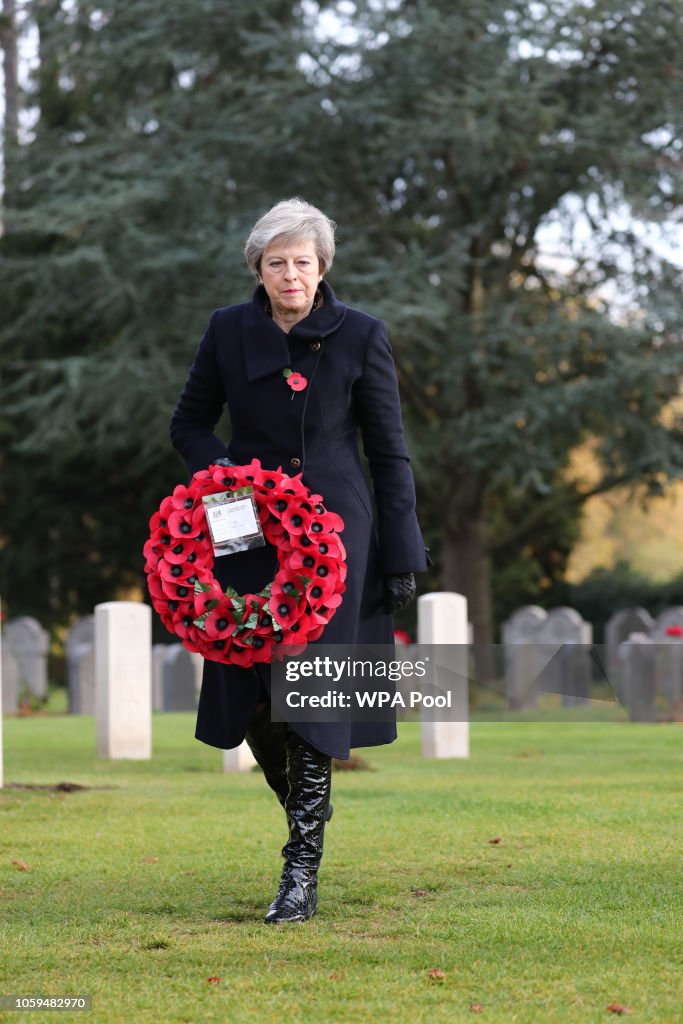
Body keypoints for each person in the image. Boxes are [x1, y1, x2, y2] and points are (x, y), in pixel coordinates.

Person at [170, 198, 430, 924]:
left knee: (311, 692)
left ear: (322, 269)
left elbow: (388, 452)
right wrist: (226, 481)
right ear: (259, 267)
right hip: (243, 530)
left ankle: (300, 871)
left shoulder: (361, 336)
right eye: (277, 262)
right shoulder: (227, 330)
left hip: (335, 538)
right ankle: (306, 821)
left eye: (304, 262)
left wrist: (401, 552)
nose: (291, 274)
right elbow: (188, 422)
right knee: (251, 690)